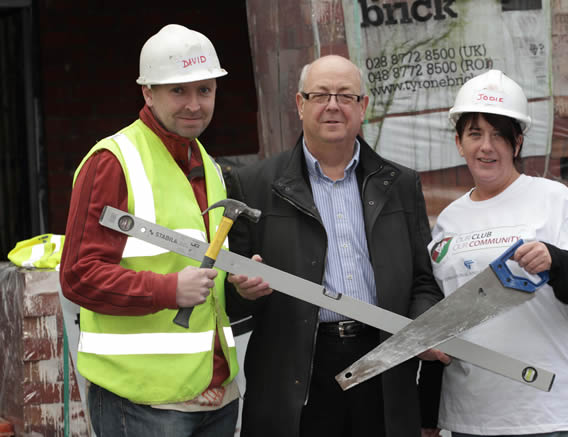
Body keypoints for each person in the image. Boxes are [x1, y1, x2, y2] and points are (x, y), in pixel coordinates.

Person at [224, 54, 449, 437]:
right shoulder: (254, 185)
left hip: (383, 363)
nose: (333, 106)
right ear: (300, 104)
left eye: (345, 96)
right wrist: (241, 289)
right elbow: (232, 302)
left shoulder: (399, 184)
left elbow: (424, 282)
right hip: (298, 373)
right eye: (320, 95)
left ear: (362, 107)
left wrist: (419, 327)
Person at [59, 24, 240, 436]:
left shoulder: (208, 165)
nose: (194, 105)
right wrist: (169, 291)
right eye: (178, 91)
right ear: (147, 93)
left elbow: (199, 263)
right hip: (143, 403)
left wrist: (242, 281)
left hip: (216, 393)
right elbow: (78, 276)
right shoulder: (113, 160)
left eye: (205, 90)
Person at [424, 69, 568, 436]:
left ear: (517, 143)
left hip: (548, 415)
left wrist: (556, 260)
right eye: (475, 134)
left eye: (499, 135)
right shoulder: (449, 221)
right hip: (469, 417)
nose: (486, 146)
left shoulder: (553, 199)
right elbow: (442, 319)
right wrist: (427, 417)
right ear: (459, 142)